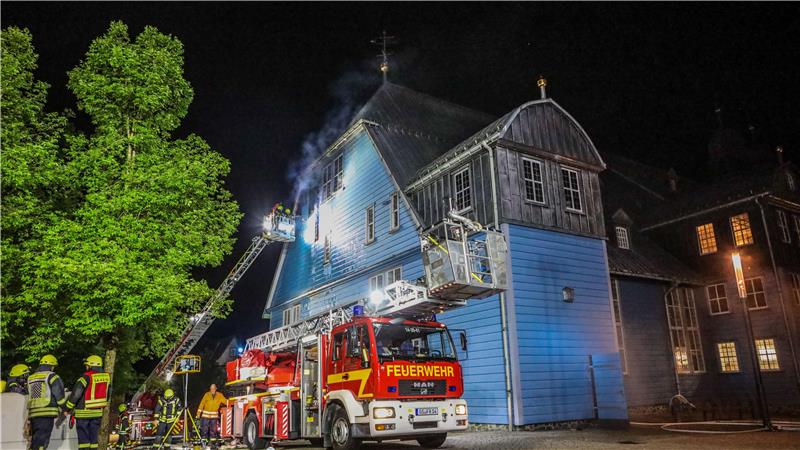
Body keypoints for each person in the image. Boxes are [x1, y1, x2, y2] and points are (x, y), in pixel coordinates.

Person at [65, 355, 110, 450]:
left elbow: (76, 394)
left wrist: (68, 408)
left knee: (83, 442)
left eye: (87, 365)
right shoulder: (107, 377)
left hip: (83, 413)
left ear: (91, 365)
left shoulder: (86, 377)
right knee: (93, 441)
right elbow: (108, 394)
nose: (86, 367)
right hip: (97, 413)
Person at [27, 354, 66, 450]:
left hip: (33, 414)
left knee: (35, 441)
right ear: (51, 366)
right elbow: (59, 395)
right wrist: (67, 408)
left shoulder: (31, 378)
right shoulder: (52, 376)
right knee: (42, 443)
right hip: (46, 412)